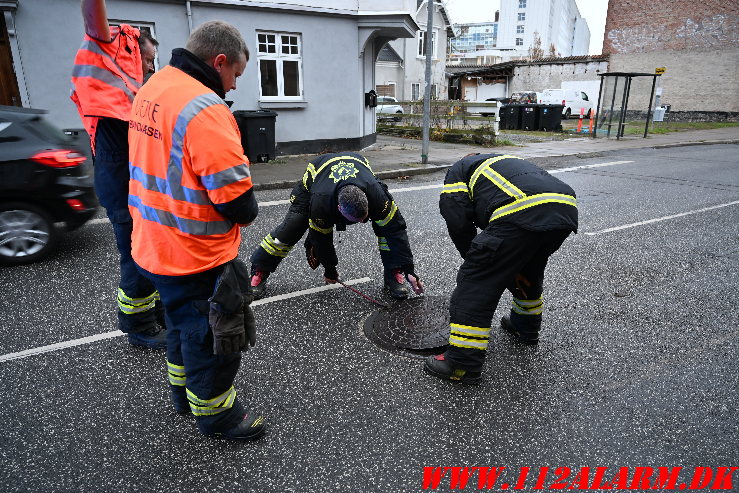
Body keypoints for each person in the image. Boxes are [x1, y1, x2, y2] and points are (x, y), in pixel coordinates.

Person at [128, 21, 264, 440]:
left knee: (182, 325)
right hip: (196, 253)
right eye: (236, 75)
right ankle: (216, 414)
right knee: (213, 337)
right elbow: (238, 204)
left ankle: (183, 394)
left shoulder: (153, 87)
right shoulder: (206, 109)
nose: (235, 86)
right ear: (219, 61)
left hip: (153, 244)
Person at [424, 153, 578, 384]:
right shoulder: (500, 161)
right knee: (527, 269)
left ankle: (462, 363)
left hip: (523, 208)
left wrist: (475, 257)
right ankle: (524, 327)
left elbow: (457, 217)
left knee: (476, 281)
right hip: (564, 208)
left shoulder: (458, 170)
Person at [71, 0, 165, 348]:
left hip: (134, 185)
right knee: (136, 255)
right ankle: (138, 325)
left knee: (149, 253)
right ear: (128, 59)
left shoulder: (136, 96)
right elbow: (95, 22)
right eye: (149, 61)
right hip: (122, 187)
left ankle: (153, 314)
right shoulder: (113, 86)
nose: (152, 68)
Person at [249, 152, 424, 299]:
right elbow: (322, 239)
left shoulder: (376, 195)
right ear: (339, 209)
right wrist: (330, 269)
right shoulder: (321, 202)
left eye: (365, 218)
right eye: (358, 220)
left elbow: (396, 230)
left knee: (385, 228)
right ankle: (260, 270)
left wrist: (409, 269)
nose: (363, 223)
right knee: (291, 229)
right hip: (314, 185)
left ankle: (394, 272)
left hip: (355, 172)